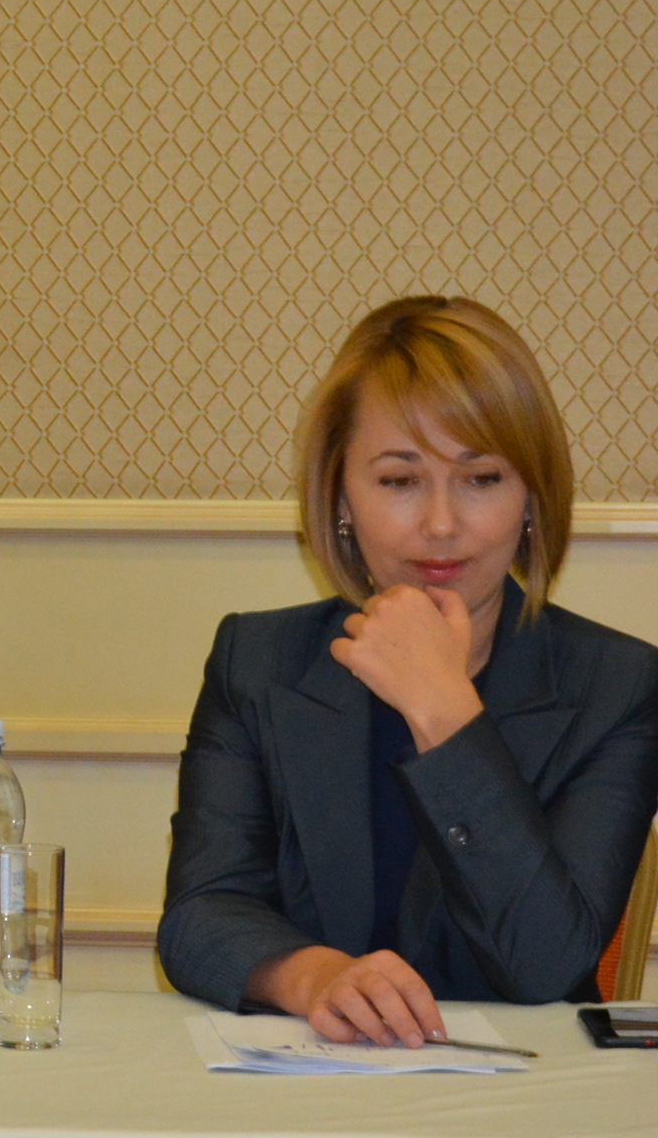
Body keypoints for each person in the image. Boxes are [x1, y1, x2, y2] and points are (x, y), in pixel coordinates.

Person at [160, 296, 658, 1043]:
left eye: (481, 478)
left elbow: (546, 964)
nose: (441, 524)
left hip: (523, 1096)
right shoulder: (257, 663)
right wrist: (317, 977)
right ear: (341, 497)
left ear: (531, 497)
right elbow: (200, 914)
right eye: (399, 481)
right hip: (306, 1082)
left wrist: (445, 713)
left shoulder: (617, 686)